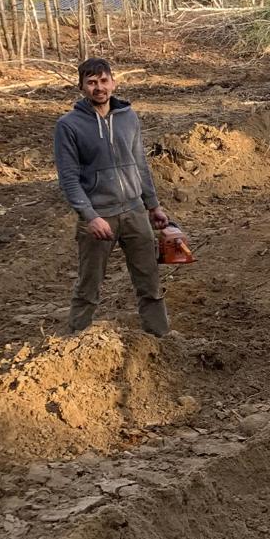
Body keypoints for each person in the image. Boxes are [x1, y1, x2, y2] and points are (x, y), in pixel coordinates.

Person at [54, 58, 171, 336]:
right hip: (98, 217)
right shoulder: (68, 126)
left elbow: (139, 163)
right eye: (91, 82)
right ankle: (75, 341)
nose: (99, 87)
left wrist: (153, 206)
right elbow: (69, 179)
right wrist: (90, 216)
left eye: (103, 81)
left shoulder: (128, 117)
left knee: (150, 282)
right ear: (81, 86)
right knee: (88, 286)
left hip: (134, 213)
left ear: (113, 83)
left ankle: (161, 339)